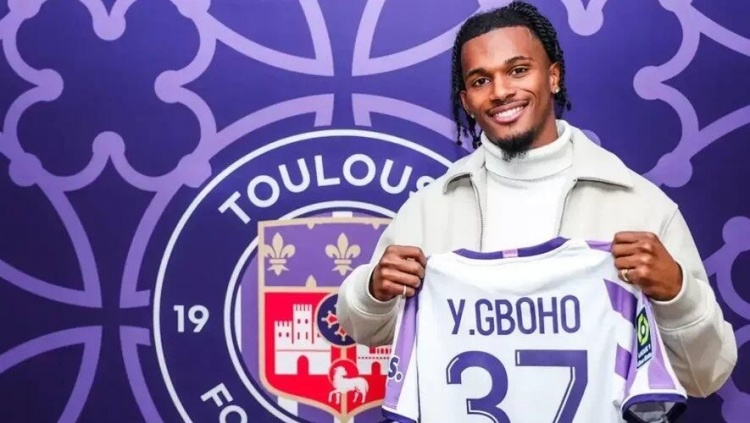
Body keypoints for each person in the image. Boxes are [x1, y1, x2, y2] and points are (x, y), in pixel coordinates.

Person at [336, 1, 737, 398]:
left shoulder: (640, 207)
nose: (501, 92)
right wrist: (373, 291)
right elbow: (364, 329)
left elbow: (706, 376)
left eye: (518, 70)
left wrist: (676, 294)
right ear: (466, 101)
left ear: (553, 76)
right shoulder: (430, 209)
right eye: (481, 80)